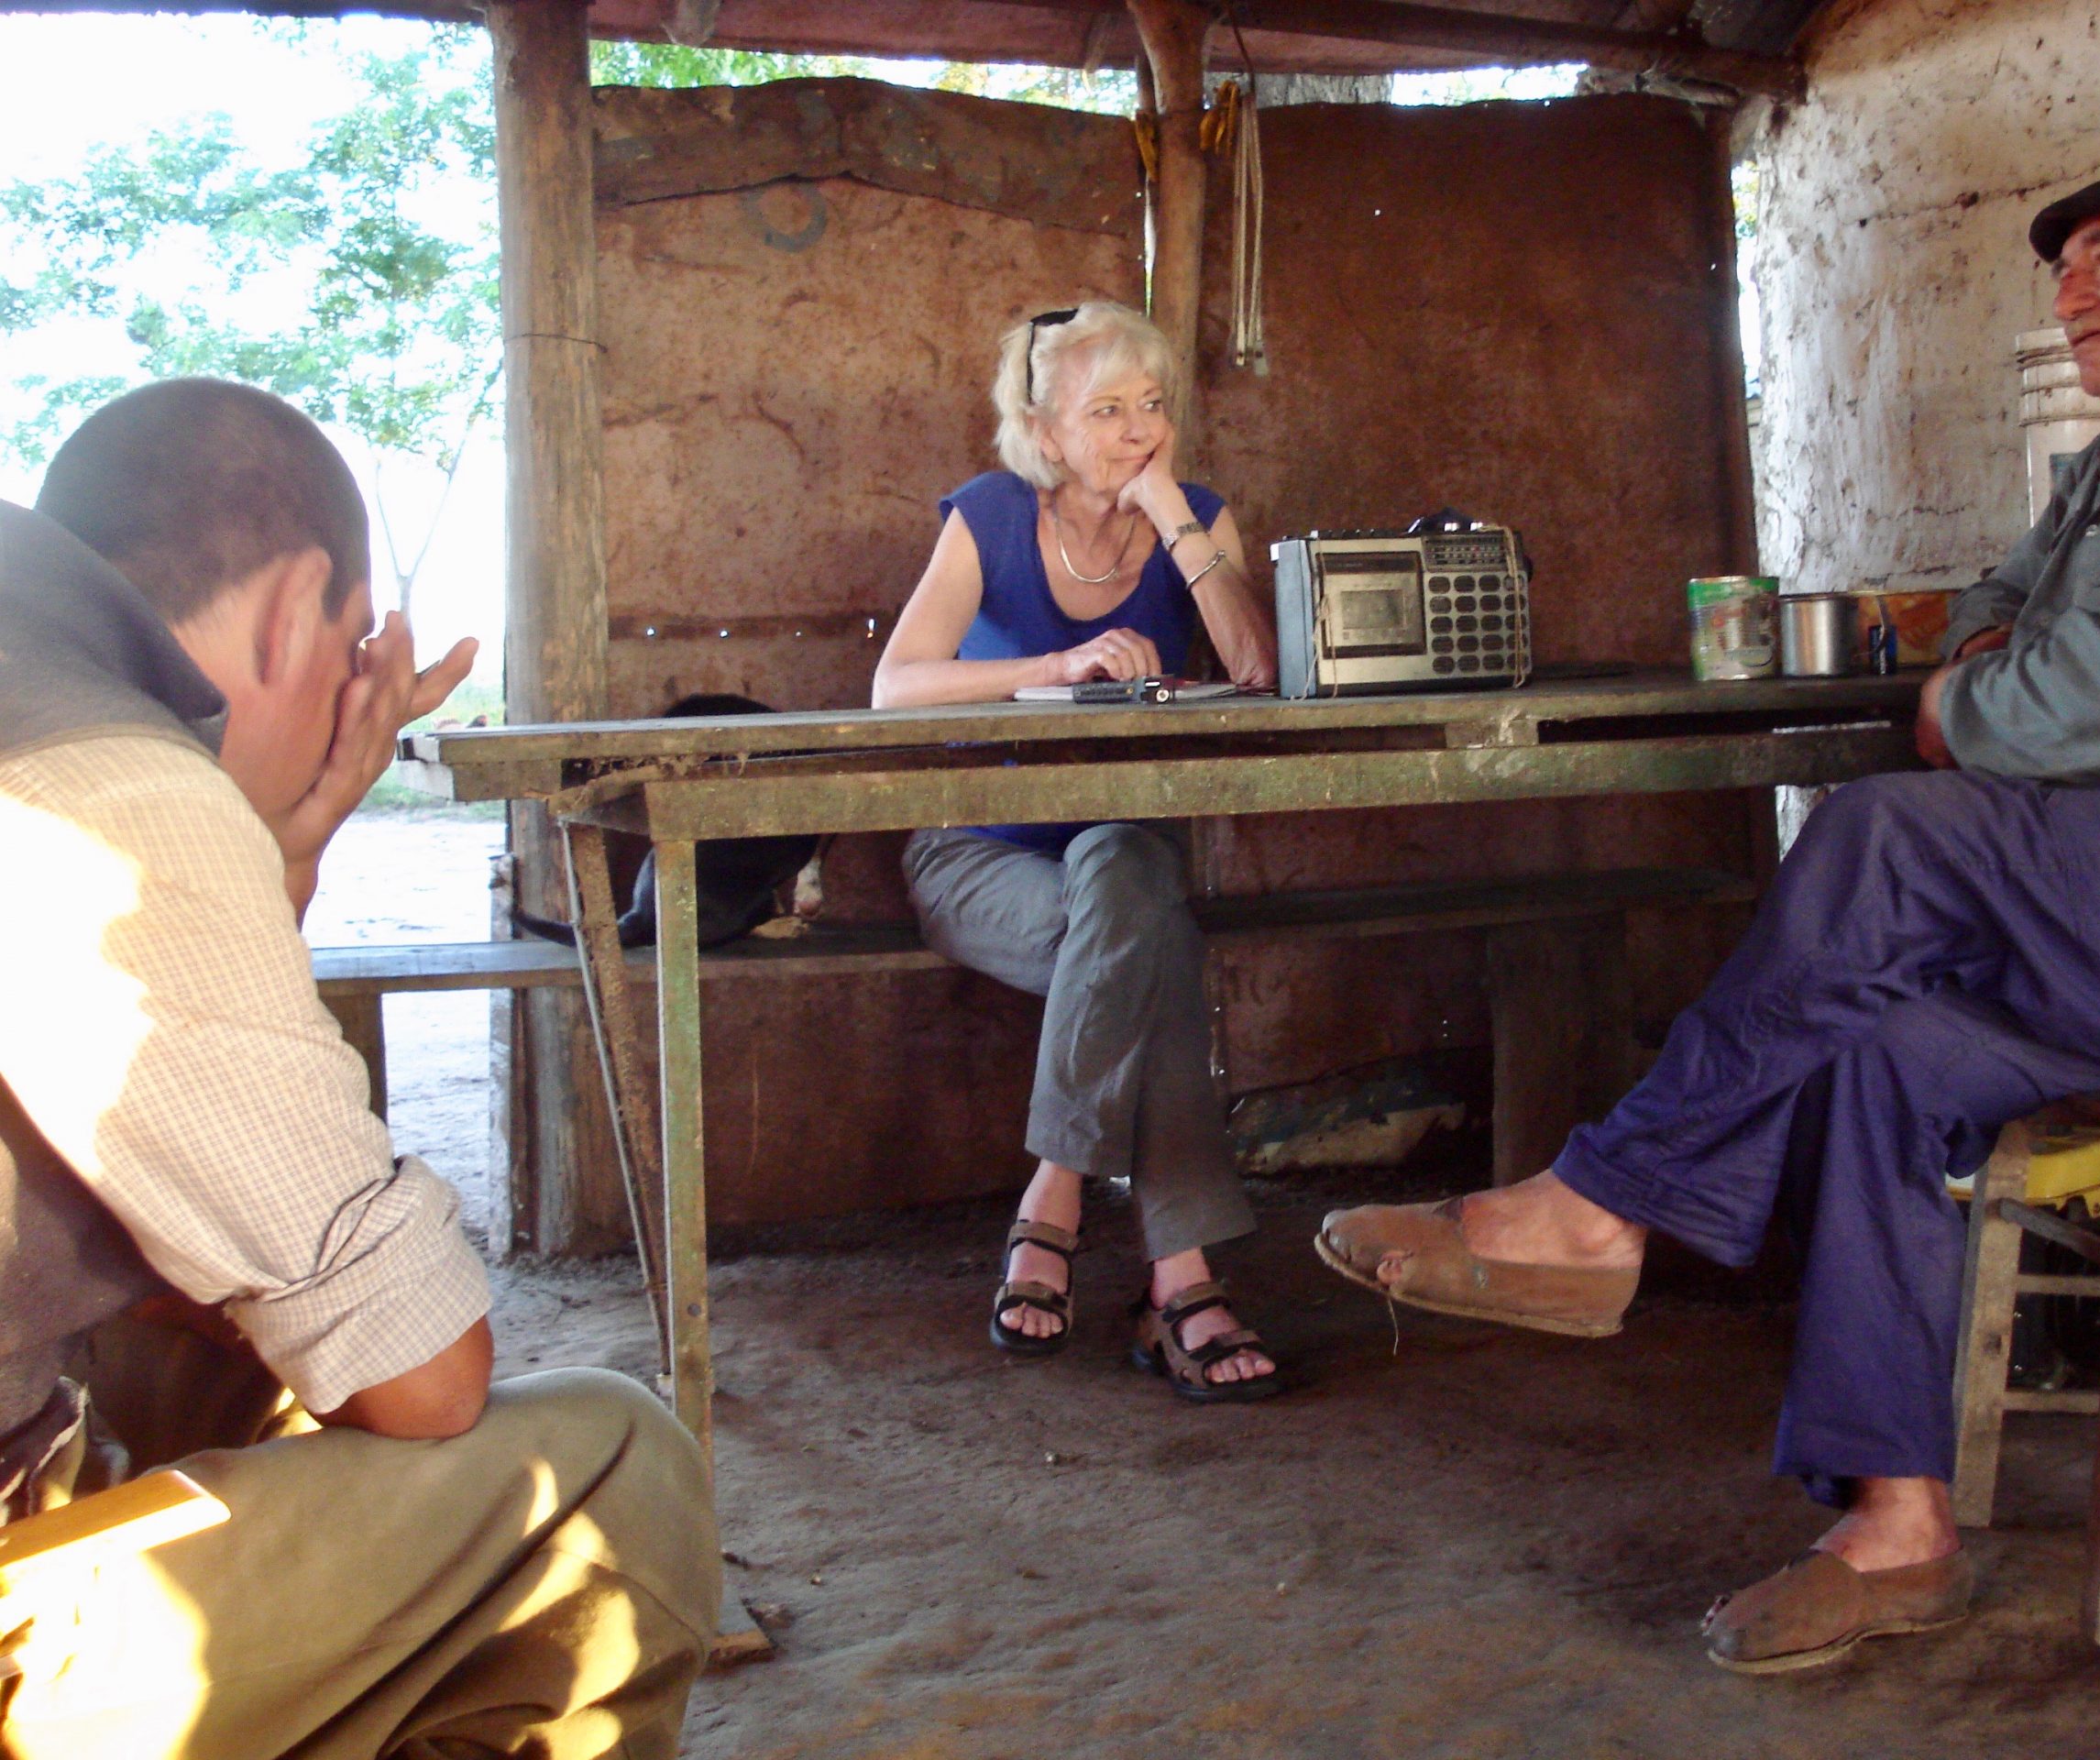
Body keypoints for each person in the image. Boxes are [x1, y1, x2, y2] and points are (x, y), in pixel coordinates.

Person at [1317, 157, 2100, 1671]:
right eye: (2061, 272)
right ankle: (1898, 1524)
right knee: (1884, 1054)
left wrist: (1982, 702)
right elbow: (1996, 612)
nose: (2070, 295)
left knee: (1888, 838)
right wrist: (2006, 677)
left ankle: (1602, 1203)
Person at [0, 379, 720, 1756]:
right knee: (605, 1467)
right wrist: (231, 823)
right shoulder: (113, 783)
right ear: (296, 614)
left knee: (238, 1354)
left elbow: (184, 1120)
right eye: (353, 652)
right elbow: (424, 1373)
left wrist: (289, 846)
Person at [873, 300, 1283, 1402]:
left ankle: (1053, 1194)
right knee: (1148, 942)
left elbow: (1258, 672)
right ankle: (1180, 1283)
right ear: (1045, 432)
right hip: (978, 858)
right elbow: (895, 685)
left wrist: (1172, 519)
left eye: (1151, 406)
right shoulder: (992, 516)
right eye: (1107, 411)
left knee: (1127, 876)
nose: (1138, 428)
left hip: (1121, 869)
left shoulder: (1196, 514)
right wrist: (1053, 666)